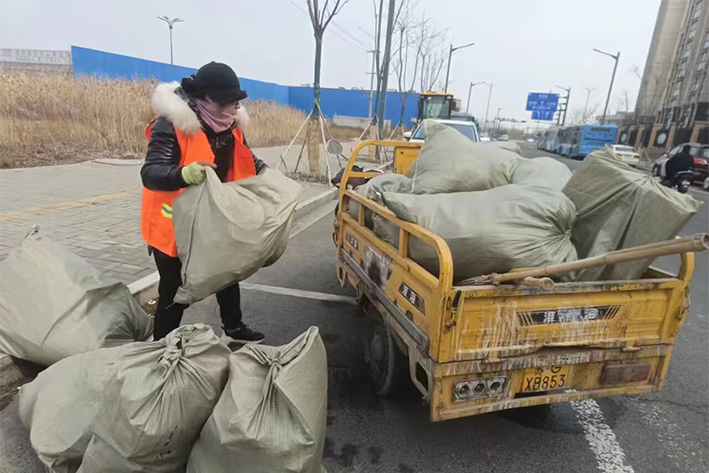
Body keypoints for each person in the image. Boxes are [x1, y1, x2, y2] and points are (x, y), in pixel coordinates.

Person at [141, 62, 267, 342]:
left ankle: (233, 328)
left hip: (215, 215)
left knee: (228, 273)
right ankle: (161, 347)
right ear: (208, 99)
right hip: (175, 225)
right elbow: (151, 173)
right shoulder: (172, 124)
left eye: (237, 101)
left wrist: (269, 176)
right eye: (230, 101)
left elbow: (246, 157)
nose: (236, 107)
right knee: (174, 290)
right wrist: (184, 174)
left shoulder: (230, 125)